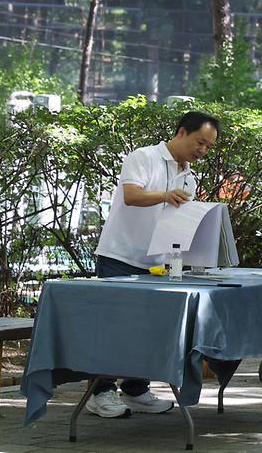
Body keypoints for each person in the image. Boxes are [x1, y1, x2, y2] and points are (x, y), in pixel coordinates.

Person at [89, 111, 220, 418]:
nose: (202, 150)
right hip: (120, 256)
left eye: (209, 147)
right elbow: (132, 196)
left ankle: (136, 390)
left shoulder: (190, 176)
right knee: (114, 327)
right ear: (181, 132)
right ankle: (100, 391)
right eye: (200, 142)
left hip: (159, 264)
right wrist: (165, 195)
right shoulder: (143, 157)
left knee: (147, 328)